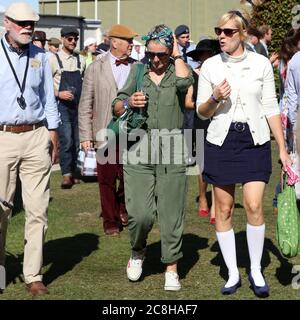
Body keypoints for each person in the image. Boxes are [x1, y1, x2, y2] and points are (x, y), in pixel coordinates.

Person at [196, 11, 291, 297]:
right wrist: (214, 98)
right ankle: (232, 273)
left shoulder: (261, 63)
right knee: (223, 209)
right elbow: (202, 112)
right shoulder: (211, 66)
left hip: (254, 141)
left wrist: (283, 150)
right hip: (221, 141)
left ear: (242, 34)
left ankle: (255, 270)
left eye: (227, 32)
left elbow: (271, 107)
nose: (221, 36)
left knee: (253, 206)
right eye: (218, 31)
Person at [112, 24, 193, 290]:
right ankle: (137, 250)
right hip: (138, 148)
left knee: (171, 213)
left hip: (172, 150)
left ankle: (172, 266)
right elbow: (116, 106)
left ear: (171, 51)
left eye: (161, 54)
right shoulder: (137, 70)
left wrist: (179, 56)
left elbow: (185, 85)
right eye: (151, 54)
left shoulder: (178, 69)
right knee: (140, 214)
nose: (155, 59)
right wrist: (127, 103)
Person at [0, 2, 59, 296]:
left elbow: (49, 97)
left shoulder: (41, 56)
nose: (28, 28)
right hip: (3, 137)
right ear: (6, 22)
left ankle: (33, 275)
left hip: (36, 135)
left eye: (31, 23)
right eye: (21, 23)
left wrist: (53, 130)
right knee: (1, 209)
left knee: (38, 209)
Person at [79, 24, 138, 236]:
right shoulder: (96, 67)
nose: (131, 45)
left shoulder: (137, 67)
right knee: (106, 179)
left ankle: (122, 208)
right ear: (114, 42)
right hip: (103, 132)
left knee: (128, 176)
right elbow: (85, 103)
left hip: (131, 132)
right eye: (128, 41)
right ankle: (110, 219)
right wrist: (85, 136)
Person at [185, 39, 221, 224]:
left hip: (218, 121)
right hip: (201, 121)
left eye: (208, 53)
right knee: (202, 164)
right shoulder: (193, 75)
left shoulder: (221, 74)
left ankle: (215, 205)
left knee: (216, 164)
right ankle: (203, 199)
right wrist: (205, 104)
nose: (204, 57)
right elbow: (187, 102)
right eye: (202, 54)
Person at [49, 26, 86, 189]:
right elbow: (44, 86)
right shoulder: (52, 59)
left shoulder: (81, 60)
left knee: (78, 141)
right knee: (67, 139)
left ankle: (76, 172)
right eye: (70, 39)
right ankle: (66, 174)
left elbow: (85, 83)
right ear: (62, 39)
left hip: (78, 105)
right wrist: (58, 94)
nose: (73, 42)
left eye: (75, 39)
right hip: (62, 106)